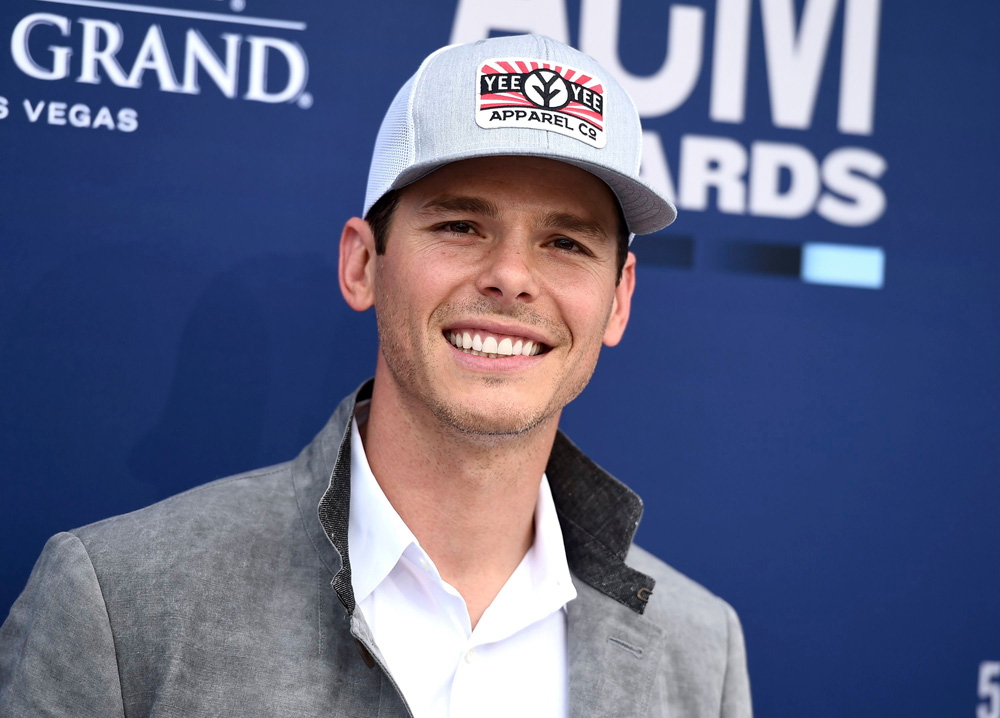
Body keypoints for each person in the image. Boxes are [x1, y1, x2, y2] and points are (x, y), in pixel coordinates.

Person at [0, 34, 751, 717]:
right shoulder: (118, 599)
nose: (512, 277)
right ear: (362, 264)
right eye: (461, 225)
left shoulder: (700, 650)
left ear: (618, 301)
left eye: (565, 242)